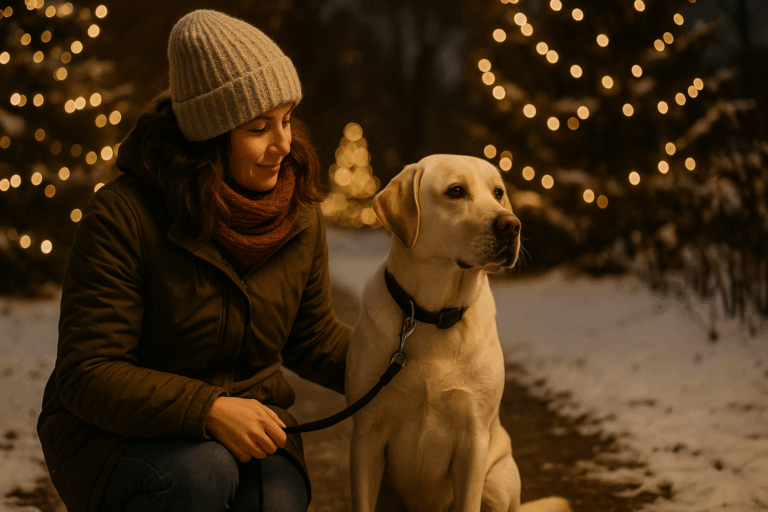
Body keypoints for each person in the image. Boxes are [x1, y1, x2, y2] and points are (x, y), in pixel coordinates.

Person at [36, 9, 351, 512]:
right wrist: (207, 410)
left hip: (254, 422)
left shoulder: (299, 216)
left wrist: (412, 355)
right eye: (258, 127)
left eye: (287, 120)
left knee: (278, 501)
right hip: (118, 439)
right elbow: (88, 372)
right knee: (204, 472)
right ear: (210, 134)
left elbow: (311, 338)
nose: (283, 145)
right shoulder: (124, 214)